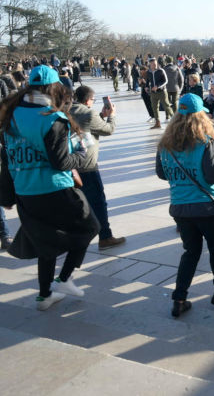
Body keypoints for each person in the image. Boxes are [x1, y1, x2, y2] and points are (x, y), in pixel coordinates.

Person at [0, 65, 99, 310]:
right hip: (56, 189)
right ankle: (64, 278)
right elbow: (61, 162)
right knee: (90, 228)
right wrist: (81, 155)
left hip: (26, 190)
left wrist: (7, 193)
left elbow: (7, 159)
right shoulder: (52, 118)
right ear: (55, 87)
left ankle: (45, 295)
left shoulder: (11, 115)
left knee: (47, 243)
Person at [156, 93, 214, 317]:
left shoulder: (165, 145)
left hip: (180, 207)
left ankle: (179, 298)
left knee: (190, 252)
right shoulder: (205, 143)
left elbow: (161, 173)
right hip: (206, 207)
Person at [69, 86, 125, 249]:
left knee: (76, 203)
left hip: (71, 166)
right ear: (88, 100)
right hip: (88, 166)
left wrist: (101, 115)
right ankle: (105, 237)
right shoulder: (88, 112)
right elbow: (109, 129)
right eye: (92, 100)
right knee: (98, 202)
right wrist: (111, 116)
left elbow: (87, 127)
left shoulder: (67, 110)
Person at [146, 58, 173, 129]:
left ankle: (174, 120)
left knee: (167, 106)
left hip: (162, 92)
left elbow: (166, 81)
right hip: (153, 93)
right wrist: (146, 87)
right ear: (150, 64)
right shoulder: (148, 72)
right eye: (152, 64)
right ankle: (157, 123)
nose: (154, 65)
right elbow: (147, 81)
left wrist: (157, 86)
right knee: (155, 108)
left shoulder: (161, 70)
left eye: (155, 64)